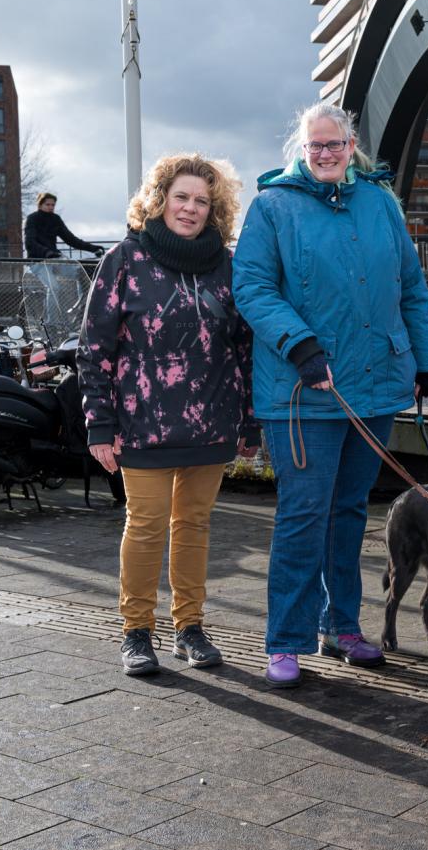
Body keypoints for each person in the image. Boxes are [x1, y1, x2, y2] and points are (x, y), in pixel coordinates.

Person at [233, 102, 428, 689]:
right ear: (301, 151)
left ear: (352, 145)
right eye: (314, 146)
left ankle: (342, 625)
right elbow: (251, 287)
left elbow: (410, 288)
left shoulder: (379, 204)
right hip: (303, 394)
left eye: (334, 144)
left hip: (375, 390)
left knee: (350, 512)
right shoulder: (273, 208)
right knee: (303, 515)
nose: (325, 154)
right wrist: (299, 345)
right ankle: (286, 639)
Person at [78, 153, 259, 676]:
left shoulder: (229, 266)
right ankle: (136, 632)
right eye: (181, 197)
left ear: (214, 209)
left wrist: (250, 419)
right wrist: (100, 423)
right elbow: (95, 349)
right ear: (159, 200)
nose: (190, 208)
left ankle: (190, 627)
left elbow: (244, 347)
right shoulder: (125, 260)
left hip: (212, 419)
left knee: (195, 525)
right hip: (142, 423)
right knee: (147, 525)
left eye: (202, 201)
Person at [25, 192, 104, 334]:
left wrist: (92, 248)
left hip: (54, 259)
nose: (50, 207)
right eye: (47, 204)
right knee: (54, 287)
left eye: (53, 205)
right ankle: (52, 323)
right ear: (40, 204)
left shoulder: (55, 219)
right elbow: (30, 242)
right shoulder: (32, 219)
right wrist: (46, 252)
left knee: (81, 272)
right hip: (38, 261)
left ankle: (80, 309)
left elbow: (70, 239)